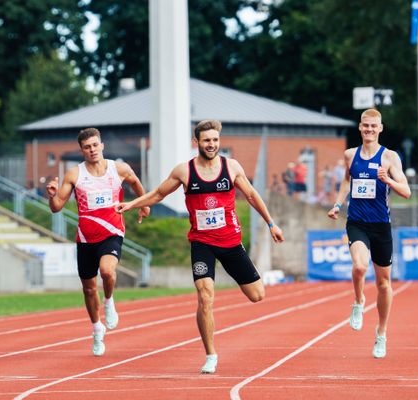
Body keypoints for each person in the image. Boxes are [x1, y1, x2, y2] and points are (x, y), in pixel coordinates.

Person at [115, 119, 284, 374]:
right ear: (197, 143)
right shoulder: (185, 171)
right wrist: (132, 204)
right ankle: (211, 354)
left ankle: (210, 328)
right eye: (207, 140)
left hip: (230, 243)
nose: (212, 144)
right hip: (202, 242)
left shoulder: (231, 167)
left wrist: (271, 223)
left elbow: (251, 195)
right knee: (205, 296)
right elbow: (159, 194)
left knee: (257, 295)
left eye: (215, 140)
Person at [46, 128, 150, 356]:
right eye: (87, 147)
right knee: (89, 288)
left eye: (95, 145)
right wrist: (51, 194)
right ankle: (96, 329)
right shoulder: (74, 174)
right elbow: (56, 208)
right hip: (85, 238)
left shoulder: (118, 169)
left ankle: (109, 301)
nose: (92, 150)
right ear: (82, 150)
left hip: (112, 232)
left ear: (101, 145)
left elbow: (135, 182)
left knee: (107, 271)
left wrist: (143, 204)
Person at [327, 108, 411, 358]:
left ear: (380, 128)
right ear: (360, 128)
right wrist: (337, 204)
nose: (369, 130)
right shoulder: (350, 155)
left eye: (373, 126)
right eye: (365, 126)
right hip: (357, 222)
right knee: (360, 267)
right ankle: (359, 300)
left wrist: (389, 181)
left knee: (384, 284)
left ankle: (381, 333)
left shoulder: (390, 158)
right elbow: (346, 181)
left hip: (381, 225)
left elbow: (406, 191)